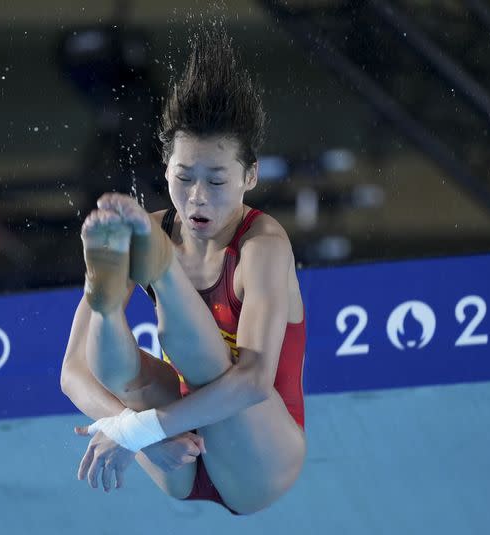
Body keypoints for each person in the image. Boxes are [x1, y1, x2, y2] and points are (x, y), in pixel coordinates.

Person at [59, 26, 307, 515]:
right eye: (183, 177)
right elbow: (72, 374)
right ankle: (110, 306)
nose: (197, 198)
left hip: (259, 461)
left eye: (217, 181)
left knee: (208, 364)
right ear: (166, 166)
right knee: (126, 375)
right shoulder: (151, 224)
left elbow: (255, 382)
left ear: (250, 176)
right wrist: (135, 433)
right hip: (175, 451)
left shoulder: (263, 246)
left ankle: (160, 272)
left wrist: (139, 430)